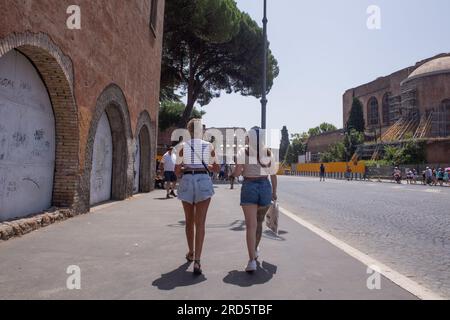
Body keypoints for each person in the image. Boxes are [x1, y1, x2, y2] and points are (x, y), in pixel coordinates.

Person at [175, 118, 219, 275]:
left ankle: (191, 252)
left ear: (189, 130)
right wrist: (207, 166)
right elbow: (217, 168)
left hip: (187, 179)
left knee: (189, 221)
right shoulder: (209, 146)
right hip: (202, 180)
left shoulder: (182, 146)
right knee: (200, 223)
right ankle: (198, 261)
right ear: (203, 131)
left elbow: (177, 171)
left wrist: (186, 168)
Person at [231, 127, 278, 273]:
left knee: (250, 226)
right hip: (265, 187)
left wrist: (235, 171)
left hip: (249, 186)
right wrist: (274, 193)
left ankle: (251, 261)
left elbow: (237, 172)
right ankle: (256, 248)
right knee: (259, 223)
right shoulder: (269, 153)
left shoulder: (242, 152)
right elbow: (274, 176)